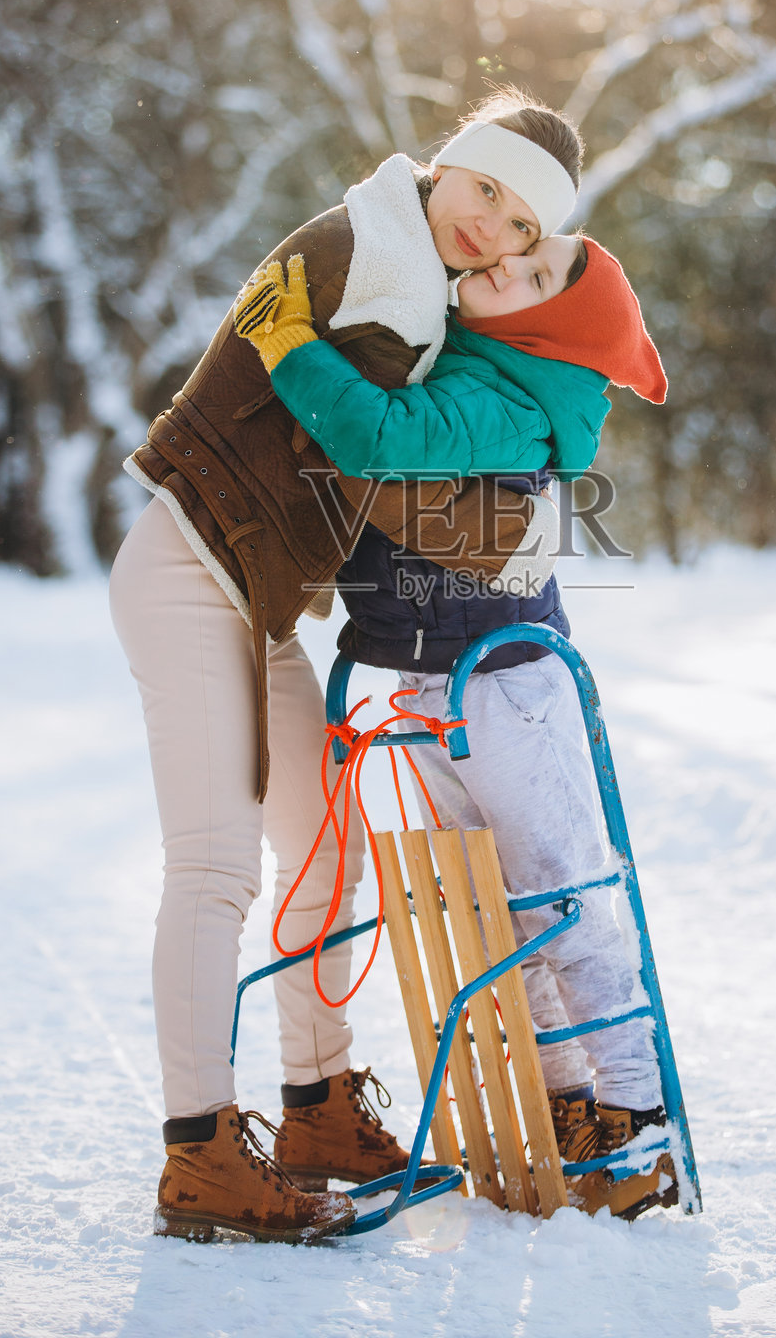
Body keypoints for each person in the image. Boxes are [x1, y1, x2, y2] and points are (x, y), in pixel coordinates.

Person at [108, 90, 584, 1243]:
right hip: (187, 571)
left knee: (326, 861)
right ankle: (198, 1156)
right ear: (447, 166)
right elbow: (369, 458)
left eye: (522, 227)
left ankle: (316, 1109)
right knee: (216, 867)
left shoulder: (413, 275)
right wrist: (512, 537)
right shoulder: (374, 259)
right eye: (485, 191)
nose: (492, 230)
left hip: (252, 598)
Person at [236, 206, 678, 1220]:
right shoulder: (455, 362)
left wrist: (286, 342)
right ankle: (564, 1103)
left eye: (536, 274)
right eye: (517, 250)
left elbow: (374, 437)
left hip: (508, 683)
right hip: (429, 683)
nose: (508, 262)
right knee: (485, 910)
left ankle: (634, 1111)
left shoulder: (511, 400)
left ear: (548, 334)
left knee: (556, 894)